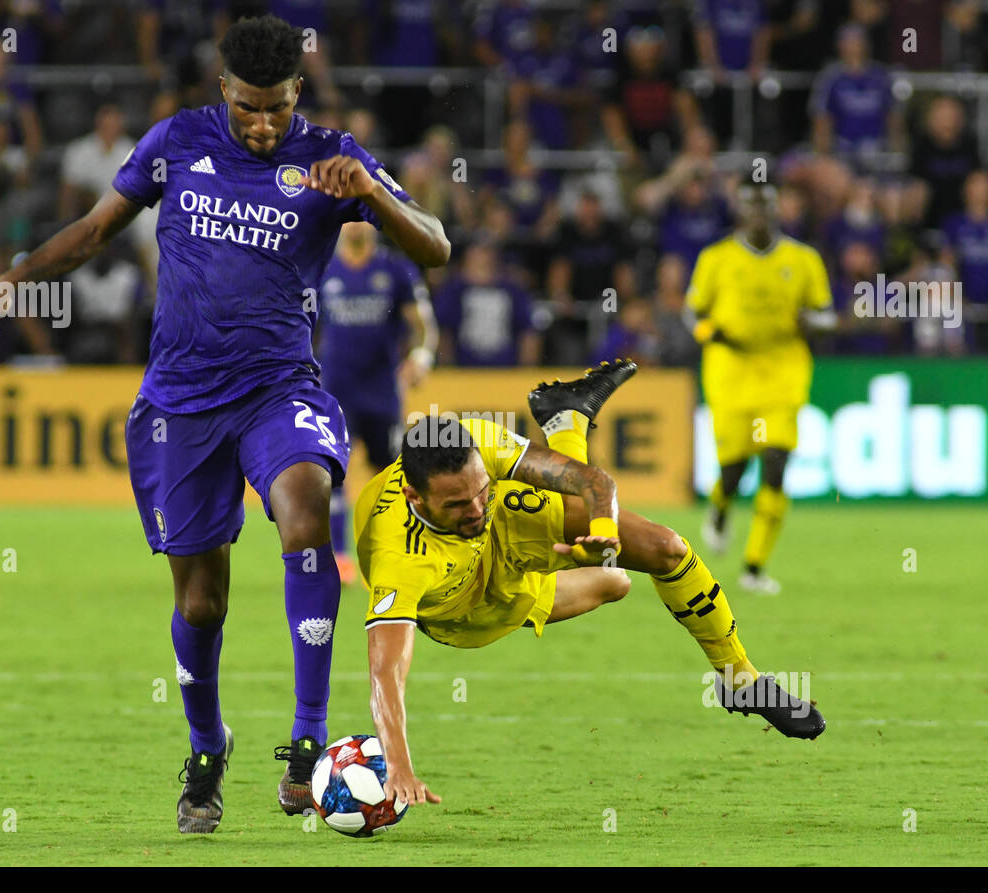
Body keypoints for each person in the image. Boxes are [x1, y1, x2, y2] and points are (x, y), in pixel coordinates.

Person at [0, 14, 449, 832]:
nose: (264, 125)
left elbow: (434, 247)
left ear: (301, 92)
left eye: (279, 109)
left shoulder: (333, 158)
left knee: (304, 513)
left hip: (278, 388)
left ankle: (308, 740)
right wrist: (11, 282)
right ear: (224, 88)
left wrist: (369, 193)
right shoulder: (176, 144)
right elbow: (91, 231)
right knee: (201, 606)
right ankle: (206, 744)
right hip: (180, 404)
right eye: (250, 107)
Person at [353, 361, 825, 807]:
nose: (475, 508)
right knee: (613, 582)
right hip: (470, 608)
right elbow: (386, 673)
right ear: (415, 496)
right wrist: (398, 764)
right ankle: (567, 422)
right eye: (457, 503)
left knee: (666, 548)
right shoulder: (401, 557)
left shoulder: (479, 446)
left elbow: (592, 481)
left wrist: (603, 531)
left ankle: (739, 679)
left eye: (480, 489)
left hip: (508, 526)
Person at [687, 181, 835, 595]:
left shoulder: (803, 260)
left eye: (766, 205)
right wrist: (709, 333)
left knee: (775, 463)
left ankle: (754, 568)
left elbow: (826, 313)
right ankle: (718, 510)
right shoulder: (716, 259)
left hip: (783, 373)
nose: (759, 213)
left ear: (777, 210)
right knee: (733, 470)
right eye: (752, 205)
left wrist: (815, 324)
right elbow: (692, 312)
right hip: (731, 374)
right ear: (740, 211)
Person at [318, 220, 438, 584]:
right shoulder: (322, 266)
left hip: (382, 390)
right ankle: (339, 558)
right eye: (350, 216)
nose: (356, 224)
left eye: (362, 216)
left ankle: (396, 551)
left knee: (391, 476)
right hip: (335, 390)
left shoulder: (395, 269)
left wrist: (420, 357)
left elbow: (423, 325)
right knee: (332, 473)